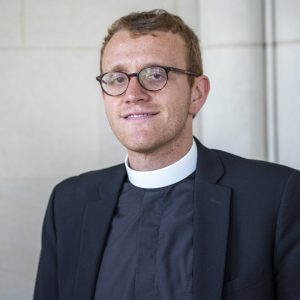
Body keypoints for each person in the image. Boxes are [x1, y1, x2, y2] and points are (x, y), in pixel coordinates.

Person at [33, 9, 300, 300]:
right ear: (104, 96)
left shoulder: (275, 197)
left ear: (196, 93)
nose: (132, 93)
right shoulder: (69, 203)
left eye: (155, 74)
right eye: (116, 78)